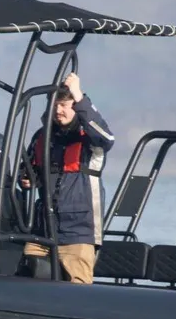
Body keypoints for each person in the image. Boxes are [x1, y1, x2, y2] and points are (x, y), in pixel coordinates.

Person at [18, 72, 114, 284]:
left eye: (64, 105)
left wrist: (79, 96)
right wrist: (25, 179)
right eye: (54, 105)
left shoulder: (90, 140)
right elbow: (28, 167)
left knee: (77, 290)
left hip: (79, 232)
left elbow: (107, 138)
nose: (58, 111)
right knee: (24, 281)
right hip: (42, 230)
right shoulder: (42, 137)